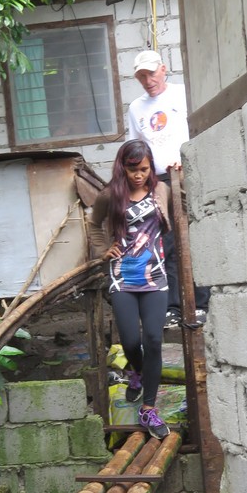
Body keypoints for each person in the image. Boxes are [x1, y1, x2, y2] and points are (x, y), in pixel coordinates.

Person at [88, 139, 172, 440]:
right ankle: (137, 372)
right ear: (122, 167)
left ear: (151, 168)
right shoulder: (110, 195)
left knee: (153, 339)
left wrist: (180, 171)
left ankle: (149, 408)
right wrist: (103, 250)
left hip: (155, 277)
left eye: (144, 169)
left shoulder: (162, 190)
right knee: (130, 340)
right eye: (133, 169)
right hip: (122, 277)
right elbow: (94, 224)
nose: (139, 175)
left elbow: (184, 204)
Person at [128, 49, 210, 328]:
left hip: (188, 173)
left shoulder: (183, 94)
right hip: (158, 181)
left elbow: (200, 127)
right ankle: (173, 307)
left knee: (195, 238)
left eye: (151, 73)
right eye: (141, 76)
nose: (148, 80)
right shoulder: (136, 108)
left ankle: (201, 304)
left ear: (163, 69)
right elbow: (137, 147)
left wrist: (188, 156)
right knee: (167, 242)